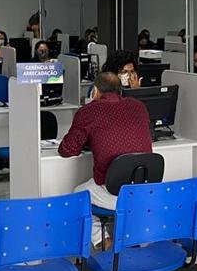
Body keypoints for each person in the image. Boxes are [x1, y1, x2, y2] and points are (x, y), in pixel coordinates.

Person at [58, 72, 153, 249]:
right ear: (120, 89)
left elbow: (67, 149)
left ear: (95, 90)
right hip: (143, 190)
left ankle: (102, 241)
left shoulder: (88, 111)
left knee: (78, 194)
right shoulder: (139, 106)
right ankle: (129, 239)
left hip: (113, 191)